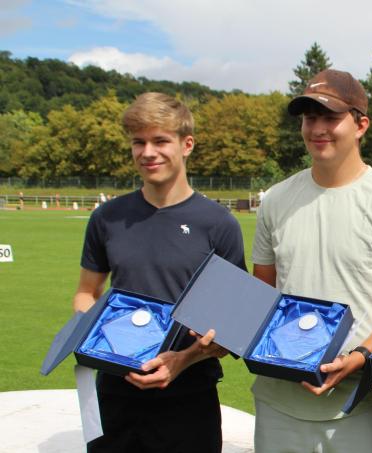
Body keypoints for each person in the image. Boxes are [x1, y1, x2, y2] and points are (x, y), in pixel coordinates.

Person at [251, 69, 372, 453]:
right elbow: (261, 294)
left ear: (361, 124)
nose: (318, 128)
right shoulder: (276, 200)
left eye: (330, 117)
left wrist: (361, 356)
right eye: (309, 117)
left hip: (361, 407)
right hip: (279, 404)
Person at [73, 92, 246, 452]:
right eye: (139, 142)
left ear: (187, 144)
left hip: (189, 394)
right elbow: (85, 293)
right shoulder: (107, 218)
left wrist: (183, 359)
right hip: (115, 392)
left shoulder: (218, 224)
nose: (147, 152)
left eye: (160, 140)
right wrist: (97, 336)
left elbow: (233, 326)